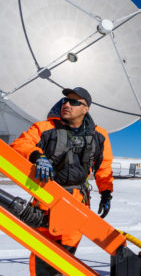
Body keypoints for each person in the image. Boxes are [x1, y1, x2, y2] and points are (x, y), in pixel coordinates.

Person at [10, 87, 114, 276]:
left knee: (66, 257)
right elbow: (20, 144)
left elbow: (104, 167)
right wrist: (37, 156)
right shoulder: (45, 128)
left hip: (77, 202)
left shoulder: (99, 135)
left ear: (86, 109)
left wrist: (106, 193)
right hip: (45, 198)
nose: (66, 104)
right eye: (65, 100)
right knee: (43, 253)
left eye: (74, 102)